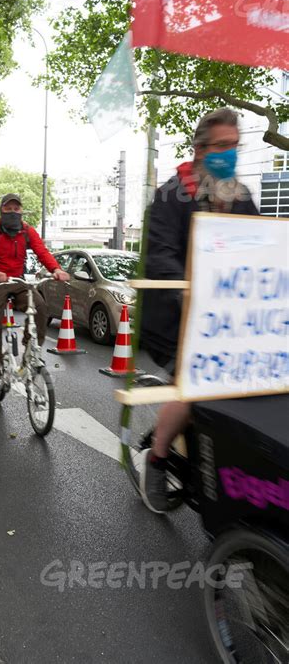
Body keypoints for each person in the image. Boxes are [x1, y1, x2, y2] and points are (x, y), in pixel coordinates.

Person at [139, 107, 259, 514]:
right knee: (199, 386)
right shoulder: (172, 194)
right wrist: (193, 295)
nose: (230, 155)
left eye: (235, 147)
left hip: (229, 317)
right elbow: (160, 259)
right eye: (222, 147)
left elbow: (260, 248)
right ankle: (157, 457)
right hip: (175, 320)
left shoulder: (241, 196)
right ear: (200, 149)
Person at [0, 193, 69, 398]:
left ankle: (31, 350)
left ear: (21, 211)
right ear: (1, 210)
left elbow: (42, 251)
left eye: (16, 209)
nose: (12, 212)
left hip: (18, 281)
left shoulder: (27, 230)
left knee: (40, 307)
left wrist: (56, 269)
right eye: (8, 209)